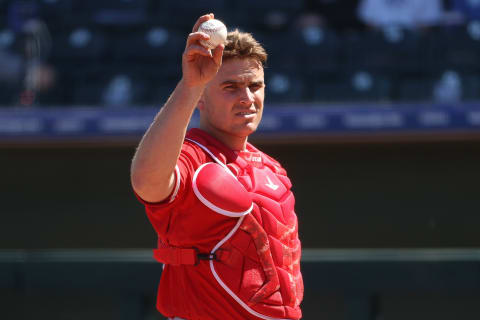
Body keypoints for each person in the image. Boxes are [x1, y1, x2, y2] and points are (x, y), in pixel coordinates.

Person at [130, 13, 303, 320]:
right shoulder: (192, 159)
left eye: (255, 85)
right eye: (231, 87)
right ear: (201, 98)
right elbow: (147, 181)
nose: (247, 97)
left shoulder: (271, 167)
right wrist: (190, 85)